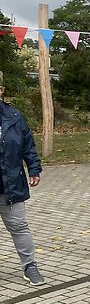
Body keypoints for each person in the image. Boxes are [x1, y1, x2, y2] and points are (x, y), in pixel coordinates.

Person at [0, 71, 45, 286]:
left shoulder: (14, 117)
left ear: (1, 91)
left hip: (10, 185)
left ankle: (30, 266)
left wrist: (34, 168)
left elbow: (28, 144)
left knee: (19, 227)